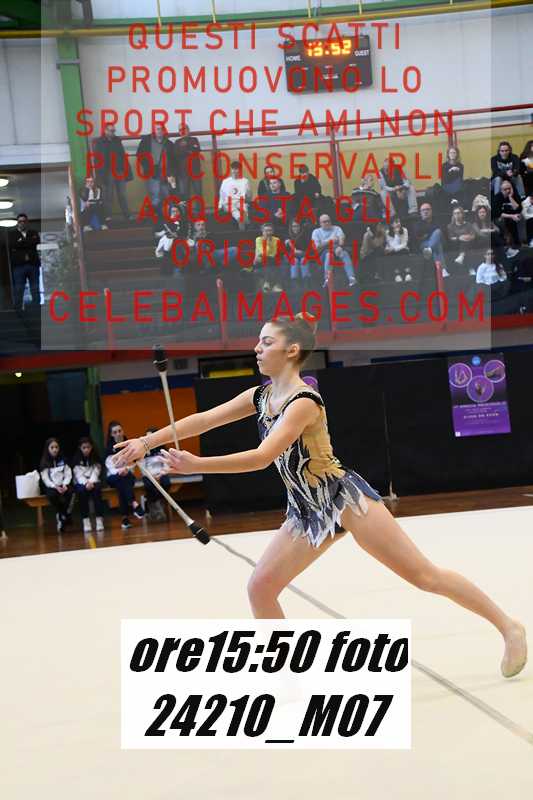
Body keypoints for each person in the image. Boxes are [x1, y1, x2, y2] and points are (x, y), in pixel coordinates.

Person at [113, 315, 527, 678]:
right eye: (258, 341)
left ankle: (508, 627)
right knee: (261, 588)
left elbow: (262, 457)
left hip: (344, 500)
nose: (257, 348)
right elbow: (204, 419)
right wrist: (146, 442)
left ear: (291, 351)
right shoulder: (260, 396)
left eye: (266, 342)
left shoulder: (304, 402)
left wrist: (198, 464)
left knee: (424, 576)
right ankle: (286, 676)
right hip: (306, 510)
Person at [104, 420, 145, 529]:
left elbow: (134, 462)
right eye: (115, 432)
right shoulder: (109, 448)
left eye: (119, 431)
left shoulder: (129, 445)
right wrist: (119, 471)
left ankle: (125, 518)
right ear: (111, 434)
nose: (118, 434)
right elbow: (109, 465)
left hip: (127, 475)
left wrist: (126, 468)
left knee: (122, 485)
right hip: (113, 476)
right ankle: (134, 503)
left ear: (123, 431)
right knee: (122, 480)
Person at [92, 123, 133, 221]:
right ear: (105, 131)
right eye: (111, 131)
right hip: (108, 172)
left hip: (119, 170)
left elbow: (123, 156)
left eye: (114, 131)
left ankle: (127, 215)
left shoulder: (117, 141)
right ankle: (108, 216)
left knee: (122, 194)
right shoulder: (99, 142)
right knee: (108, 195)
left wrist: (127, 171)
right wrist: (100, 175)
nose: (113, 133)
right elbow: (98, 160)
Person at [136, 124, 177, 210]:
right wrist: (147, 167)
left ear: (164, 131)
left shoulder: (169, 144)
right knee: (155, 196)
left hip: (166, 173)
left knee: (168, 195)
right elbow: (139, 155)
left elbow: (173, 160)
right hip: (152, 173)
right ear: (154, 131)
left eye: (161, 129)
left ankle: (171, 215)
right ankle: (157, 216)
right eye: (157, 129)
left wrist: (172, 174)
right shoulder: (146, 141)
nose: (159, 131)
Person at [311, 214, 357, 288]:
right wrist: (330, 241)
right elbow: (317, 247)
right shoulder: (316, 232)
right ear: (320, 223)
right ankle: (327, 279)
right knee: (329, 255)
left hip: (336, 250)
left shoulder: (337, 228)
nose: (327, 223)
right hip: (323, 253)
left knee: (344, 253)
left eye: (328, 221)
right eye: (324, 222)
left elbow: (341, 238)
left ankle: (352, 278)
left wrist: (340, 246)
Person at [39, 438, 73, 534]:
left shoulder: (63, 460)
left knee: (70, 492)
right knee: (52, 495)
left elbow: (68, 474)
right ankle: (62, 514)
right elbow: (45, 479)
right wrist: (55, 486)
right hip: (52, 486)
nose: (55, 450)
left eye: (56, 447)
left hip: (63, 484)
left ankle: (62, 515)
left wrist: (65, 484)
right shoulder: (44, 462)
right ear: (48, 449)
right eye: (52, 447)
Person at [8, 213, 41, 313]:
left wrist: (21, 243)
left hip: (33, 264)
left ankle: (36, 308)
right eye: (20, 221)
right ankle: (18, 310)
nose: (22, 223)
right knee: (19, 288)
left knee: (35, 287)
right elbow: (12, 244)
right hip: (19, 266)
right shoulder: (12, 234)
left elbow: (36, 241)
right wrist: (28, 243)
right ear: (17, 223)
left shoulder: (33, 232)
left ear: (27, 222)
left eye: (24, 221)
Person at [71, 436, 105, 533]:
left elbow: (96, 471)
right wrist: (86, 483)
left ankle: (99, 520)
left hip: (94, 481)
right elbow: (78, 475)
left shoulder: (96, 458)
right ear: (80, 448)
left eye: (88, 447)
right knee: (81, 493)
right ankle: (86, 521)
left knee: (97, 492)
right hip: (81, 483)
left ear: (92, 447)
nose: (86, 450)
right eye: (84, 448)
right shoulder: (76, 459)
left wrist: (91, 482)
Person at [140, 428, 172, 522]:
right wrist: (151, 476)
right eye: (146, 437)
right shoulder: (143, 451)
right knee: (149, 486)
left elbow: (166, 464)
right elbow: (142, 467)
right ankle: (158, 508)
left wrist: (161, 474)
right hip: (148, 475)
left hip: (161, 473)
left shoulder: (162, 449)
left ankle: (152, 504)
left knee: (166, 483)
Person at [414, 202, 449, 276]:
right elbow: (417, 235)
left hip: (437, 242)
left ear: (431, 211)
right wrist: (432, 234)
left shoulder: (438, 220)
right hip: (424, 244)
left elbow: (442, 231)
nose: (425, 212)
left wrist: (427, 234)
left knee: (437, 231)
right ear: (420, 213)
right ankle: (443, 270)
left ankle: (429, 249)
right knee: (437, 245)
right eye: (423, 210)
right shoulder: (418, 224)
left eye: (427, 209)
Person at [218, 161, 252, 230]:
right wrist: (220, 205)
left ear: (240, 170)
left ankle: (245, 221)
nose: (234, 171)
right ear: (231, 170)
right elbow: (222, 194)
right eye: (233, 169)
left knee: (244, 209)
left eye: (236, 169)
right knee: (237, 214)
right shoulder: (225, 181)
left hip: (240, 202)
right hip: (228, 203)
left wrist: (247, 200)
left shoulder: (245, 181)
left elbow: (249, 195)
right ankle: (240, 221)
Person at [492, 180, 524, 250]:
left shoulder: (515, 195)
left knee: (518, 219)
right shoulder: (498, 197)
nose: (508, 191)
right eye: (505, 189)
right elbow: (496, 213)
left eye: (509, 188)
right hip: (501, 217)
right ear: (501, 190)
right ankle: (509, 243)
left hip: (513, 216)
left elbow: (518, 209)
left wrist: (510, 197)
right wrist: (511, 216)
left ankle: (518, 243)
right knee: (505, 221)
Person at [173, 124, 202, 201]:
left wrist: (183, 149)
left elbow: (196, 150)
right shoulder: (176, 142)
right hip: (182, 173)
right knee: (184, 195)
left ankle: (198, 209)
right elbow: (176, 154)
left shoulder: (194, 139)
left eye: (184, 129)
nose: (182, 131)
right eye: (180, 130)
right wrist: (188, 150)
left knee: (198, 193)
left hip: (195, 171)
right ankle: (186, 209)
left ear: (188, 130)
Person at [254, 223, 284, 293]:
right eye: (266, 231)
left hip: (271, 260)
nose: (268, 233)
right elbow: (263, 252)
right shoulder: (258, 239)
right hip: (259, 262)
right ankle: (275, 285)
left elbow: (274, 253)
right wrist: (266, 241)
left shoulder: (277, 240)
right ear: (262, 232)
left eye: (270, 230)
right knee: (267, 259)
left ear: (273, 231)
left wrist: (267, 252)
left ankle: (267, 283)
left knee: (271, 260)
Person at [284, 219, 312, 290]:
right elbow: (285, 251)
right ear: (291, 227)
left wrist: (300, 252)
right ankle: (295, 284)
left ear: (300, 227)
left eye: (297, 226)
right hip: (291, 257)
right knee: (295, 261)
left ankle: (306, 284)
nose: (295, 228)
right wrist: (289, 244)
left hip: (303, 255)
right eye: (293, 226)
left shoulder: (305, 236)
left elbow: (307, 249)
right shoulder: (287, 236)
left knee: (304, 260)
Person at [384, 218, 412, 282]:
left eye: (399, 222)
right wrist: (395, 234)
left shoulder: (404, 230)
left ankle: (407, 273)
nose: (399, 223)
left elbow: (404, 244)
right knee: (392, 254)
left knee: (403, 251)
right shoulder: (387, 232)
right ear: (391, 224)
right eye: (396, 222)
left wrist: (398, 234)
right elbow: (390, 244)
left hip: (402, 249)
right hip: (392, 251)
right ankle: (397, 274)